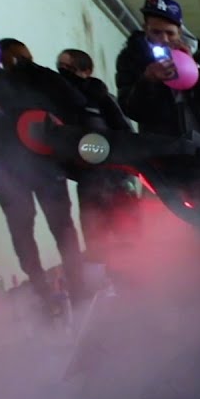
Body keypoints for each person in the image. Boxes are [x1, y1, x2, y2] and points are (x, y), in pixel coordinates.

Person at [0, 39, 90, 315]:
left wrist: (32, 69)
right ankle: (57, 293)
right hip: (24, 174)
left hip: (35, 172)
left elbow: (76, 101)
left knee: (46, 232)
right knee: (43, 233)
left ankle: (62, 293)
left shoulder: (31, 81)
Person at [114, 0, 200, 165]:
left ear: (180, 32)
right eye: (156, 32)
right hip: (160, 154)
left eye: (170, 33)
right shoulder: (132, 58)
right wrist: (148, 81)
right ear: (145, 28)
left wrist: (197, 71)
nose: (163, 39)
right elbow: (132, 110)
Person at [56, 48, 139, 265]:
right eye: (60, 68)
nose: (64, 73)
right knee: (95, 239)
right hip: (88, 181)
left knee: (127, 236)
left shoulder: (102, 98)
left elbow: (126, 134)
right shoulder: (61, 102)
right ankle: (103, 278)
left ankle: (134, 277)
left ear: (86, 71)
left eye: (69, 68)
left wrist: (124, 171)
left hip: (116, 178)